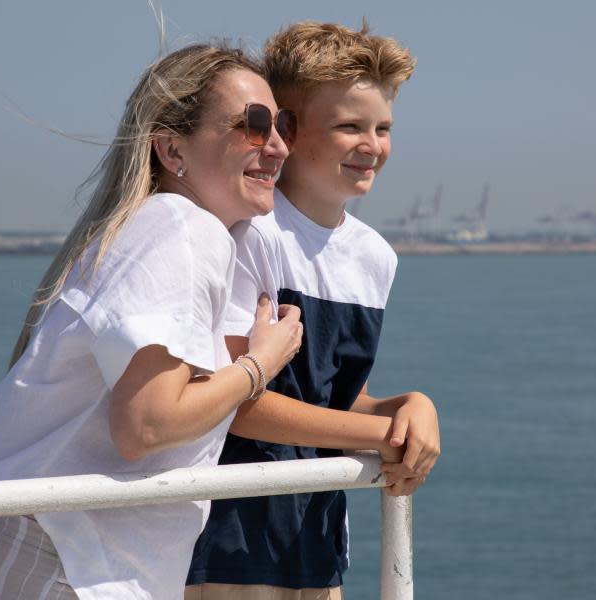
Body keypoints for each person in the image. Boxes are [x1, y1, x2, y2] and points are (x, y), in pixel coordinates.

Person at [0, 42, 302, 600]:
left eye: (283, 125)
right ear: (172, 149)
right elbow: (145, 425)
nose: (275, 146)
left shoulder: (164, 231)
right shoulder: (181, 229)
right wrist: (260, 363)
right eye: (253, 124)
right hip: (51, 557)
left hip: (41, 552)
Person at [186, 22, 440, 600]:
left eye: (383, 127)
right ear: (289, 130)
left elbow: (331, 395)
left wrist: (410, 407)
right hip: (227, 545)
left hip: (316, 544)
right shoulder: (250, 233)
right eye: (349, 126)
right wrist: (380, 434)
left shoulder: (376, 258)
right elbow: (234, 403)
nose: (372, 145)